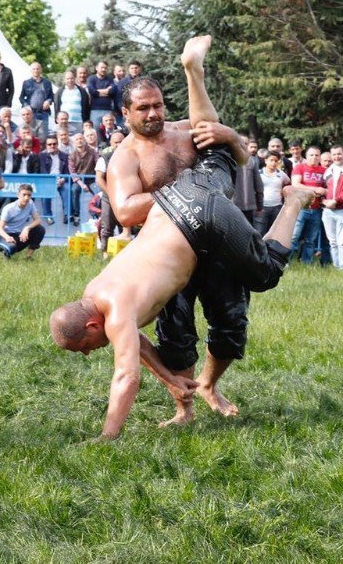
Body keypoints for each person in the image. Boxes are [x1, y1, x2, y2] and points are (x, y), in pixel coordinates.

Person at [51, 149, 316, 440]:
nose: (88, 352)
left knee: (266, 273)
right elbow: (133, 340)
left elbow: (126, 376)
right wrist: (170, 379)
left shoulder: (115, 311)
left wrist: (108, 435)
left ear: (91, 325)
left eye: (83, 346)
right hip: (177, 193)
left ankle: (293, 200)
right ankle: (220, 143)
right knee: (217, 154)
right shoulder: (95, 292)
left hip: (201, 216)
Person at [104, 36, 252, 425]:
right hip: (166, 253)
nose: (153, 114)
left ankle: (208, 384)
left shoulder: (187, 130)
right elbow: (125, 211)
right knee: (177, 333)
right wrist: (187, 195)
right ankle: (183, 407)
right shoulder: (125, 158)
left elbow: (241, 159)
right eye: (143, 108)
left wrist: (231, 137)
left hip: (216, 242)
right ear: (125, 114)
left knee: (231, 321)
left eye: (157, 105)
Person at [290, 146, 327, 264]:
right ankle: (285, 262)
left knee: (311, 240)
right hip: (301, 207)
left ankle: (307, 262)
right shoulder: (299, 167)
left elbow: (328, 188)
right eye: (311, 155)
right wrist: (316, 189)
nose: (314, 157)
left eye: (317, 155)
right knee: (294, 237)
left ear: (320, 157)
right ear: (306, 156)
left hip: (317, 209)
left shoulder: (324, 170)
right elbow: (295, 184)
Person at [0, 183, 46, 258]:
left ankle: (28, 257)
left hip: (18, 235)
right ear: (18, 195)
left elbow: (38, 220)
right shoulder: (9, 209)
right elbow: (0, 229)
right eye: (24, 194)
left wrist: (27, 228)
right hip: (5, 236)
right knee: (10, 249)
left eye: (29, 195)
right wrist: (7, 237)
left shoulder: (30, 203)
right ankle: (3, 251)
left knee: (40, 230)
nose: (26, 198)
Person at [256, 150, 291, 236]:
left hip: (277, 207)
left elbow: (288, 183)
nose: (273, 163)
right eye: (271, 160)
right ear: (265, 160)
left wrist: (284, 192)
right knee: (259, 232)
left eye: (276, 161)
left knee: (274, 232)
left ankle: (270, 249)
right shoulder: (259, 173)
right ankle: (258, 249)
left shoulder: (281, 174)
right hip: (262, 207)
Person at [19, 62, 53, 140]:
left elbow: (51, 96)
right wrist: (26, 107)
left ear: (41, 70)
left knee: (43, 136)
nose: (36, 70)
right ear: (31, 71)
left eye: (37, 69)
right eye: (34, 69)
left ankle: (41, 152)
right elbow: (21, 97)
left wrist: (48, 101)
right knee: (31, 135)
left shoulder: (47, 83)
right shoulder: (26, 83)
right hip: (31, 114)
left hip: (44, 113)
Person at [86, 60, 116, 127]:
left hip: (107, 110)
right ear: (97, 68)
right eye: (102, 67)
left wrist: (98, 91)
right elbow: (92, 91)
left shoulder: (110, 79)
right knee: (95, 131)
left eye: (105, 68)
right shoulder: (91, 79)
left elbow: (112, 91)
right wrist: (106, 91)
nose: (103, 69)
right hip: (95, 110)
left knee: (109, 131)